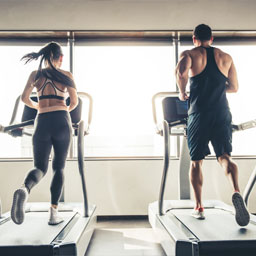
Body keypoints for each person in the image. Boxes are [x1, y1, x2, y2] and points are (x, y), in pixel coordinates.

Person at [175, 24, 250, 226]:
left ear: (194, 38)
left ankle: (198, 207)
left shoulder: (189, 54)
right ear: (212, 38)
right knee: (225, 157)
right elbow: (234, 87)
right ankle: (236, 191)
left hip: (199, 114)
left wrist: (182, 93)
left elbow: (181, 73)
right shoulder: (226, 57)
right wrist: (215, 85)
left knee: (196, 161)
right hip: (222, 112)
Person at [11, 42, 78, 225]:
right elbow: (74, 102)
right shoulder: (66, 75)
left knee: (40, 167)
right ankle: (53, 213)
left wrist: (38, 105)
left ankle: (25, 189)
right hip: (61, 120)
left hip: (42, 121)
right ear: (61, 58)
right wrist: (64, 109)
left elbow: (25, 98)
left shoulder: (36, 74)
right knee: (59, 167)